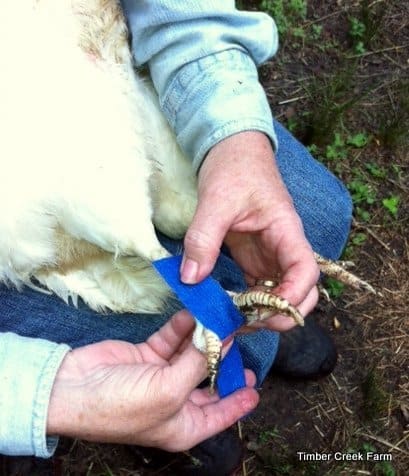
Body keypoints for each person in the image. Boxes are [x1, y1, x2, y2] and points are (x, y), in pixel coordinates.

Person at [0, 1, 352, 475]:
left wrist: (234, 139)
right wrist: (39, 395)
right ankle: (108, 420)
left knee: (316, 216)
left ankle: (245, 318)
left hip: (96, 73)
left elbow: (186, 13)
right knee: (167, 333)